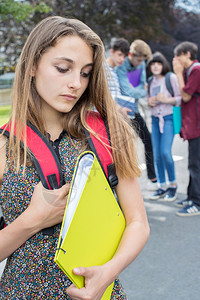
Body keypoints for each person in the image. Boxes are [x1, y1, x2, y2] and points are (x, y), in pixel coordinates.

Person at [0, 16, 150, 299]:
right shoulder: (4, 145)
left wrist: (109, 272)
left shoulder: (107, 132)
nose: (75, 84)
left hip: (98, 292)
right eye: (63, 68)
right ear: (32, 65)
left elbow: (138, 223)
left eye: (85, 73)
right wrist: (32, 220)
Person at [116, 39, 157, 190]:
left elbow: (140, 86)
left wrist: (140, 90)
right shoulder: (121, 66)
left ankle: (153, 178)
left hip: (135, 110)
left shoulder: (142, 65)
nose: (141, 64)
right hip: (121, 112)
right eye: (138, 60)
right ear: (131, 55)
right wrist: (141, 90)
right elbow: (130, 91)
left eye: (143, 61)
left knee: (148, 140)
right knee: (124, 146)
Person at [146, 52, 181, 201]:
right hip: (155, 119)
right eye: (153, 64)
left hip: (167, 119)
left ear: (163, 65)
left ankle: (172, 185)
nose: (155, 66)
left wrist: (165, 99)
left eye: (158, 63)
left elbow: (180, 99)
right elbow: (148, 102)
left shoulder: (170, 78)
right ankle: (162, 186)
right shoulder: (150, 81)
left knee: (165, 152)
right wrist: (150, 102)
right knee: (157, 155)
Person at [173, 41, 200, 216]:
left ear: (187, 54)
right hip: (193, 124)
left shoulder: (196, 70)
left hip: (197, 125)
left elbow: (186, 95)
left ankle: (196, 203)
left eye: (179, 56)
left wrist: (177, 73)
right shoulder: (191, 71)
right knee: (193, 163)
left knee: (196, 164)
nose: (176, 60)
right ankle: (192, 197)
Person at [106, 38, 133, 118]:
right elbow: (100, 96)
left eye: (124, 57)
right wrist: (119, 108)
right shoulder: (103, 69)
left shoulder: (114, 71)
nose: (122, 59)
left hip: (114, 116)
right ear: (112, 52)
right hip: (103, 118)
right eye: (120, 54)